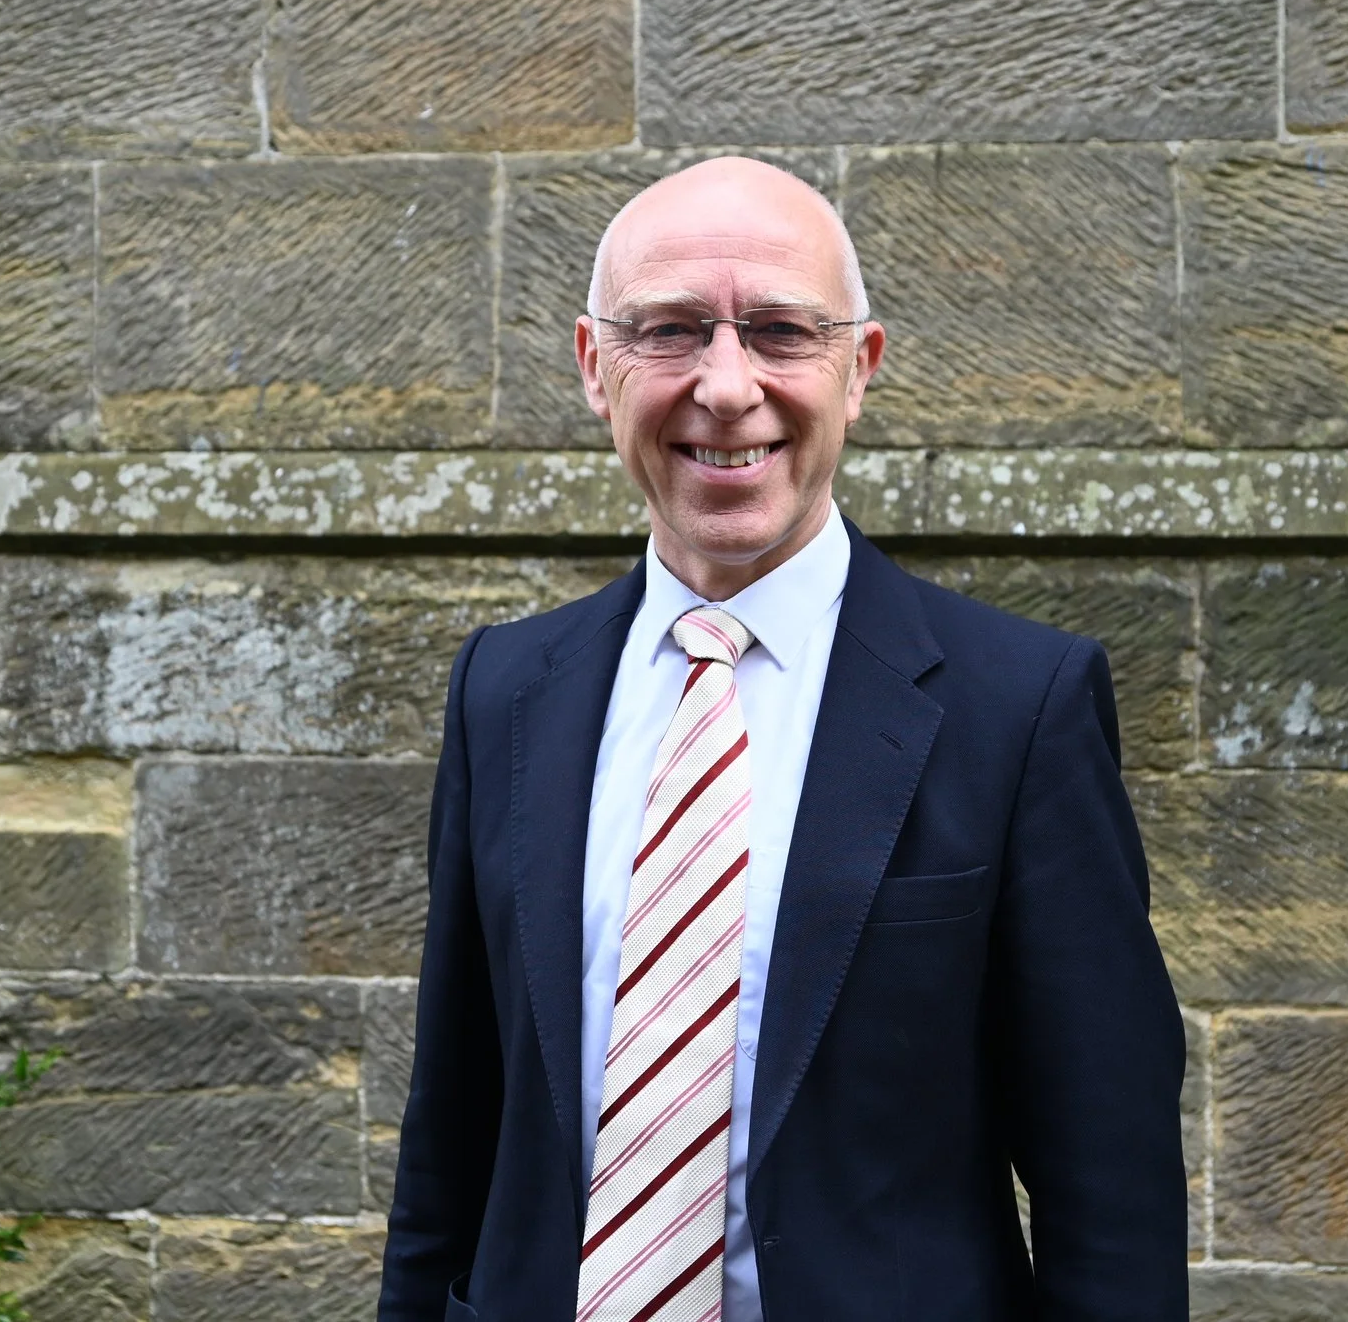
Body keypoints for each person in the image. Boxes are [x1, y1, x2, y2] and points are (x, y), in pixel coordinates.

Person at [377, 156, 1186, 1322]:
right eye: (668, 331)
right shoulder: (505, 689)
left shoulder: (1017, 707)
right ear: (593, 369)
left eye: (777, 331)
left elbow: (1108, 1190)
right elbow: (449, 1136)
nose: (725, 385)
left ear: (858, 369)